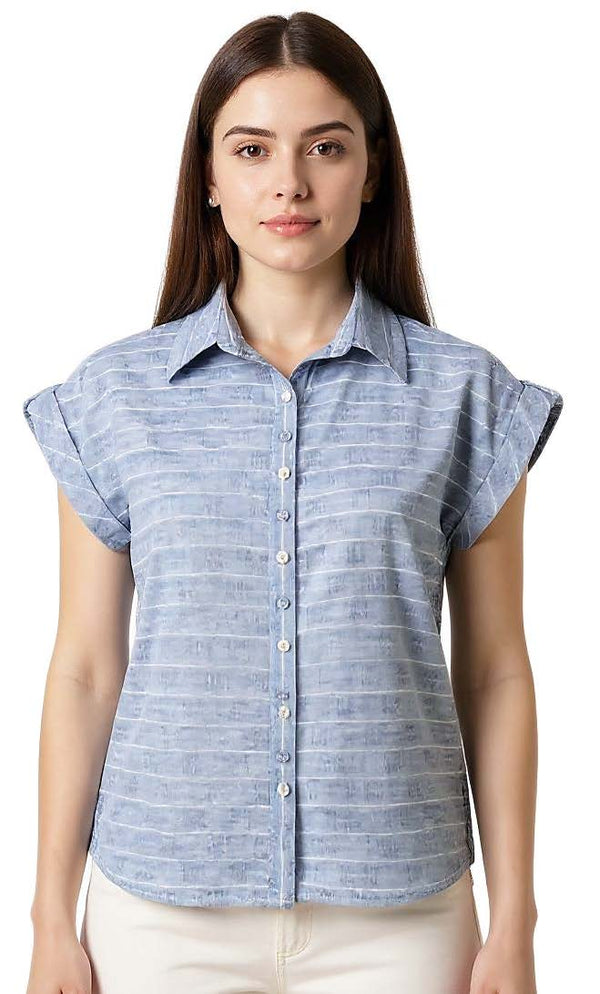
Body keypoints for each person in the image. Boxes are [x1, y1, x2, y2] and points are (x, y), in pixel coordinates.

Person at [23, 12, 563, 994]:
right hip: (160, 912)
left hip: (403, 916)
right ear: (208, 177)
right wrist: (49, 918)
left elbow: (494, 672)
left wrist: (516, 922)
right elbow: (86, 671)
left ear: (373, 169)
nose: (290, 183)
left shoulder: (467, 397)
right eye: (252, 149)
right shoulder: (112, 398)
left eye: (326, 147)